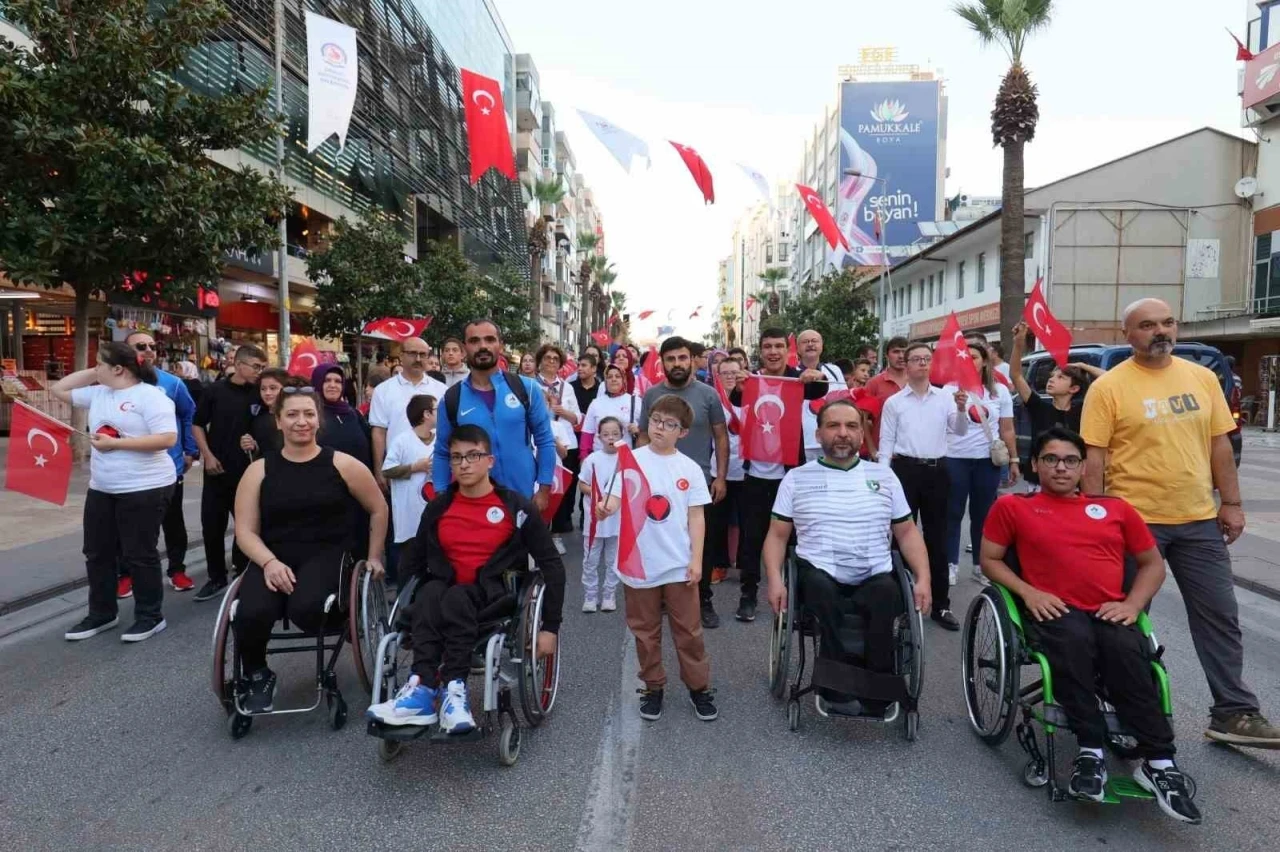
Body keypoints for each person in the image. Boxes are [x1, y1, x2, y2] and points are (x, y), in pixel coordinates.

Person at [1081, 297, 1280, 747]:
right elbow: (1096, 459)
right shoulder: (1109, 387)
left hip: (1198, 521)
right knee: (1127, 623)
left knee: (1220, 617)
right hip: (1133, 523)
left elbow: (1220, 446)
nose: (1161, 332)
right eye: (1148, 325)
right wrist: (1096, 518)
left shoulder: (1203, 378)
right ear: (1128, 334)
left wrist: (1231, 503)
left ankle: (1233, 713)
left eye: (1168, 323)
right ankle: (1125, 710)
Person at [980, 427, 1201, 823]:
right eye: (1051, 459)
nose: (1060, 467)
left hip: (1109, 608)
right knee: (1074, 641)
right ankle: (1090, 750)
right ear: (1036, 464)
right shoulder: (1014, 508)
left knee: (1128, 652)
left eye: (1069, 460)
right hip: (1053, 609)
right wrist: (1029, 593)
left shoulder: (1116, 509)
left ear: (1083, 467)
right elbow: (991, 561)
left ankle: (1160, 762)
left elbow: (1152, 564)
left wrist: (1133, 604)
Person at [367, 425, 563, 731]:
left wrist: (550, 627)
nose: (465, 464)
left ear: (490, 461)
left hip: (492, 595)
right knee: (430, 593)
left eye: (473, 455)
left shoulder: (515, 507)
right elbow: (412, 561)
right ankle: (422, 688)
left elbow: (551, 563)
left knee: (456, 596)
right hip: (444, 591)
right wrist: (405, 610)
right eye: (457, 457)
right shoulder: (439, 507)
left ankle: (454, 688)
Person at [764, 399, 932, 716]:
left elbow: (907, 533)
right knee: (819, 591)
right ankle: (836, 686)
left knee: (887, 595)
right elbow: (777, 535)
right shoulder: (796, 478)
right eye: (834, 426)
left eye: (851, 426)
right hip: (819, 572)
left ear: (861, 433)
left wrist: (923, 578)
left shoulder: (884, 477)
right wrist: (774, 580)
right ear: (818, 435)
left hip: (874, 573)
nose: (843, 433)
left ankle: (878, 691)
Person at [231, 386, 388, 713]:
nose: (300, 422)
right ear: (278, 421)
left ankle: (335, 626)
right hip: (273, 554)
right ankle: (259, 673)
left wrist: (373, 556)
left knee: (309, 607)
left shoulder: (344, 465)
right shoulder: (257, 470)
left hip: (329, 552)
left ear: (319, 420)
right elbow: (245, 531)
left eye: (308, 414)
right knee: (249, 612)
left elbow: (378, 509)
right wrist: (269, 562)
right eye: (291, 414)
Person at [601, 395, 718, 722]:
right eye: (656, 421)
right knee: (645, 631)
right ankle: (653, 686)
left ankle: (699, 687)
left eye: (670, 425)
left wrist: (696, 560)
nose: (660, 429)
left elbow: (697, 517)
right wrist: (606, 507)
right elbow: (614, 498)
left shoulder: (690, 468)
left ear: (682, 432)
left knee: (689, 631)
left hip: (678, 563)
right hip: (639, 563)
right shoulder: (631, 460)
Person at [55, 342, 177, 643]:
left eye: (100, 364)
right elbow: (59, 389)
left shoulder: (150, 396)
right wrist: (97, 370)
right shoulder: (99, 393)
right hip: (103, 486)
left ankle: (150, 615)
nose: (95, 370)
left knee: (139, 553)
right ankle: (102, 612)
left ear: (119, 369)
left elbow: (166, 438)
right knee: (97, 552)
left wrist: (116, 444)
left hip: (145, 486)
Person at [727, 328, 829, 624]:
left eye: (779, 346)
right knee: (751, 537)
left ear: (788, 349)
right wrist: (738, 385)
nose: (773, 351)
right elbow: (736, 398)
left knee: (795, 540)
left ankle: (795, 600)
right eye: (768, 346)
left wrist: (816, 375)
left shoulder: (798, 379)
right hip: (755, 475)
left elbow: (819, 390)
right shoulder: (753, 380)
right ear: (761, 350)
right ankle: (748, 596)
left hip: (790, 475)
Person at [637, 336, 730, 629]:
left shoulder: (708, 395)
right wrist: (639, 481)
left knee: (701, 545)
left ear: (691, 360)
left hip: (699, 484)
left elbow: (721, 436)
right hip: (658, 488)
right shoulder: (651, 395)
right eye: (670, 359)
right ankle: (663, 598)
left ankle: (703, 600)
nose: (677, 364)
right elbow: (642, 436)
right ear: (662, 363)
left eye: (682, 358)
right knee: (662, 541)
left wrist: (722, 477)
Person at [878, 341, 969, 631]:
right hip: (904, 469)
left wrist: (962, 409)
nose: (920, 363)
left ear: (931, 364)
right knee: (900, 537)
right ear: (905, 364)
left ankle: (941, 605)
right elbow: (885, 443)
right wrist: (883, 479)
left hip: (937, 470)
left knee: (937, 538)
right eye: (915, 359)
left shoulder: (945, 398)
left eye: (925, 359)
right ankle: (902, 604)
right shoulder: (894, 402)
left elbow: (960, 430)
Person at [433, 319, 557, 512]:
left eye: (490, 339)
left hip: (524, 498)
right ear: (465, 348)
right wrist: (441, 498)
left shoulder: (527, 389)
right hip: (474, 504)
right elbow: (442, 452)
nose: (483, 346)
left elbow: (545, 441)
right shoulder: (451, 398)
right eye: (474, 341)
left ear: (500, 345)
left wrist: (543, 490)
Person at [122, 331, 198, 594]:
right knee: (130, 526)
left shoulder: (173, 384)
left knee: (173, 523)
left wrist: (190, 450)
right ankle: (127, 573)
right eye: (140, 346)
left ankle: (177, 570)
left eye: (152, 346)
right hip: (128, 469)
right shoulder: (114, 384)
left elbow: (189, 415)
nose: (149, 350)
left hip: (168, 468)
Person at [192, 344, 266, 601]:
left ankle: (242, 570)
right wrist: (207, 455)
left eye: (263, 367)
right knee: (211, 525)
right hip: (216, 470)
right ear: (240, 364)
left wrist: (256, 446)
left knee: (246, 525)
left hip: (247, 472)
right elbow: (197, 424)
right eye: (256, 367)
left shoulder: (260, 394)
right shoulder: (214, 391)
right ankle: (215, 577)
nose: (259, 372)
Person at [944, 340, 1019, 587]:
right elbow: (953, 428)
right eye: (964, 358)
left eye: (974, 357)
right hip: (955, 458)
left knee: (984, 516)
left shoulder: (1000, 391)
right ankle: (950, 564)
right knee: (952, 514)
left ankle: (980, 565)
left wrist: (1014, 459)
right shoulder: (948, 390)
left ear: (985, 361)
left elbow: (1007, 428)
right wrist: (960, 407)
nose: (969, 362)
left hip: (988, 460)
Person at [1008, 321, 1096, 485]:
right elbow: (1016, 375)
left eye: (1060, 377)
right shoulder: (1039, 407)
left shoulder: (1084, 410)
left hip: (1073, 483)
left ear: (1074, 388)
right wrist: (1018, 343)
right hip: (1038, 482)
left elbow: (1110, 380)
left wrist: (1084, 366)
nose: (1051, 380)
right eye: (1052, 376)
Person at [381, 394, 436, 573]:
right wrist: (414, 467)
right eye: (437, 410)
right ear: (426, 414)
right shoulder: (402, 441)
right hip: (409, 515)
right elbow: (387, 470)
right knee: (410, 564)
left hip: (435, 511)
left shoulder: (441, 441)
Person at [535, 344, 582, 537]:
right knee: (539, 486)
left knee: (560, 488)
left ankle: (557, 531)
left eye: (555, 358)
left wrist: (563, 412)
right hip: (538, 441)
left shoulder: (567, 388)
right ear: (540, 361)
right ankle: (538, 530)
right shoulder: (531, 385)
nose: (552, 361)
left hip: (565, 443)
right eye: (547, 358)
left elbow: (577, 418)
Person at [707, 356, 746, 585]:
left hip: (746, 470)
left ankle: (743, 564)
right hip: (719, 469)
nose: (731, 376)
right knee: (717, 522)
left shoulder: (752, 397)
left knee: (745, 522)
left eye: (735, 372)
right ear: (718, 376)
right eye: (726, 373)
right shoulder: (713, 401)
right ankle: (719, 565)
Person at [578, 417, 624, 613]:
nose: (611, 438)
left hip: (616, 521)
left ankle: (609, 594)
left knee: (613, 561)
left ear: (622, 435)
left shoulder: (625, 460)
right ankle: (590, 595)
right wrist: (596, 494)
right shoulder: (592, 460)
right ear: (599, 437)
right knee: (590, 560)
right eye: (606, 434)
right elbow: (582, 484)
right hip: (594, 521)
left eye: (615, 434)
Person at [797, 329, 848, 462]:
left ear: (822, 346)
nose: (810, 344)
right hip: (803, 445)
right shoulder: (791, 374)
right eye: (805, 342)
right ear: (798, 348)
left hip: (831, 442)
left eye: (814, 341)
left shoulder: (834, 371)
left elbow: (845, 403)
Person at [311, 364, 373, 469]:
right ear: (317, 382)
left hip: (359, 479)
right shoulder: (311, 415)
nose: (333, 385)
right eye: (327, 380)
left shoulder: (353, 413)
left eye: (338, 381)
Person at [582, 363, 641, 452]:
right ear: (605, 381)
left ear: (623, 380)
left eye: (617, 376)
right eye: (609, 377)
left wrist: (638, 430)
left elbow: (646, 430)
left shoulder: (635, 401)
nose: (613, 379)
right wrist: (584, 456)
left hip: (626, 456)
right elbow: (587, 433)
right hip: (600, 456)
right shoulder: (596, 403)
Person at [244, 367, 294, 460]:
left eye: (273, 388)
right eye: (263, 389)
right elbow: (261, 451)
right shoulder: (258, 420)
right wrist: (252, 446)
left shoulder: (296, 418)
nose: (267, 393)